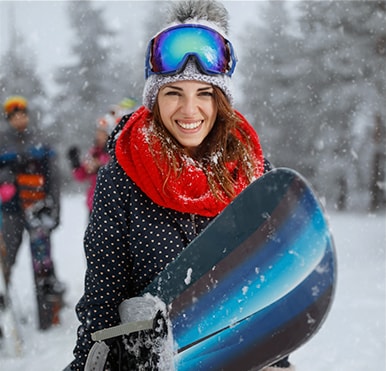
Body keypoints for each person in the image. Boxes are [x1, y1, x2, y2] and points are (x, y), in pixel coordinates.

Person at [67, 1, 294, 370]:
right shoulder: (122, 177)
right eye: (174, 93)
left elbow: (268, 293)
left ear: (221, 101)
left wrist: (278, 362)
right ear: (155, 100)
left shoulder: (253, 175)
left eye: (204, 93)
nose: (190, 111)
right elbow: (101, 301)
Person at [0, 95, 64, 330]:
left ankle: (49, 315)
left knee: (42, 264)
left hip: (38, 210)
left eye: (22, 115)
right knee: (6, 260)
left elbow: (54, 179)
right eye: (14, 116)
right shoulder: (2, 142)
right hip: (10, 213)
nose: (19, 120)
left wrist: (54, 210)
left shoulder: (40, 141)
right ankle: (3, 311)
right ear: (8, 119)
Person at [67, 117, 114, 217]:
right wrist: (75, 163)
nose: (99, 136)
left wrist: (100, 164)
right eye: (98, 132)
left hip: (111, 203)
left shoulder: (115, 151)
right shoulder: (93, 152)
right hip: (94, 204)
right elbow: (81, 176)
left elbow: (113, 165)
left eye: (102, 133)